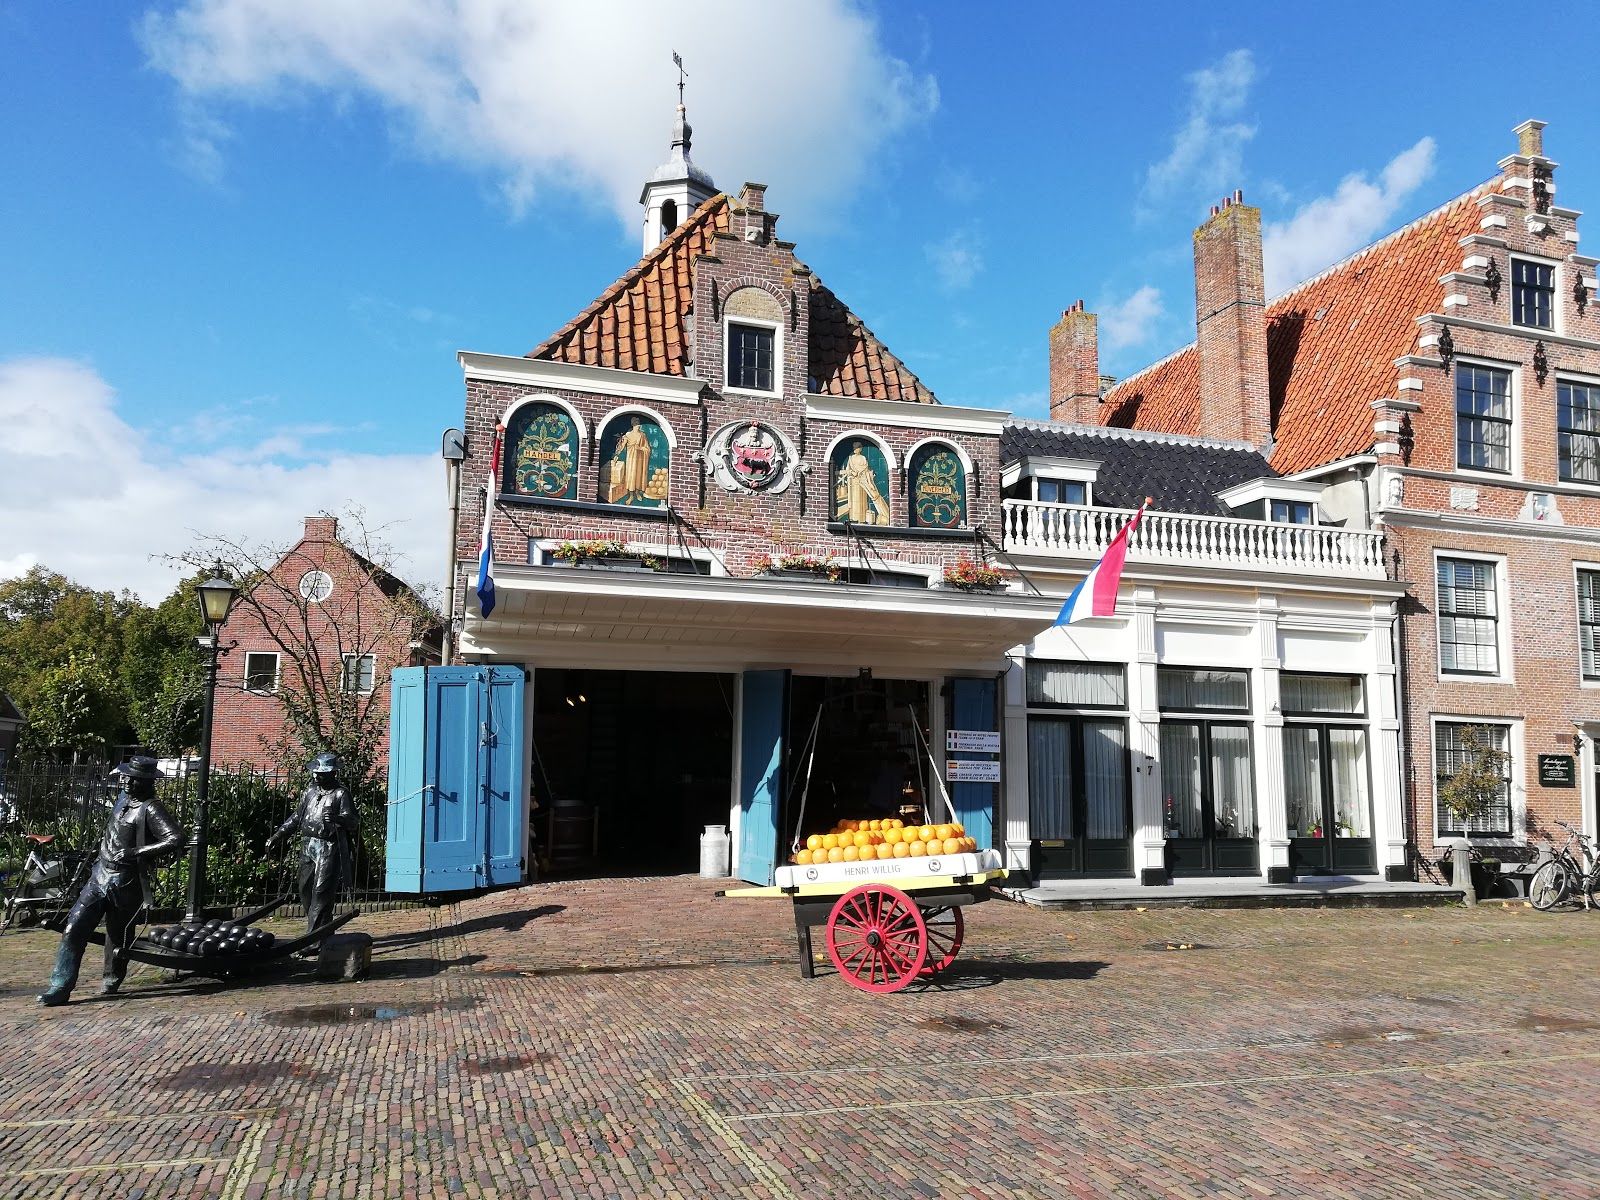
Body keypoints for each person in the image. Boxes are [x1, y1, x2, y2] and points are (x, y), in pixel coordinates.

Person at [38, 756, 183, 1006]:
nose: (125, 780)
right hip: (100, 875)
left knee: (118, 936)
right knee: (74, 927)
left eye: (132, 778)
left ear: (145, 782)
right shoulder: (121, 800)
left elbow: (176, 839)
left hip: (126, 881)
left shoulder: (151, 808)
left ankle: (112, 976)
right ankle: (60, 986)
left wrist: (136, 852)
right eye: (126, 776)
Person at [267, 751, 359, 950]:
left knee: (321, 891)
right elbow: (296, 817)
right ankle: (322, 931)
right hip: (308, 845)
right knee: (305, 889)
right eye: (315, 772)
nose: (317, 776)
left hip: (329, 847)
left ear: (333, 773)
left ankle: (313, 940)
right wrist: (278, 835)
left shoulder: (341, 794)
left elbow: (353, 821)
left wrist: (337, 819)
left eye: (322, 773)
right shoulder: (309, 791)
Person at [835, 440, 891, 525]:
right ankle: (853, 519)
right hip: (854, 483)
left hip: (862, 481)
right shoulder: (850, 458)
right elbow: (847, 469)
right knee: (854, 502)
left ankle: (862, 519)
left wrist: (863, 475)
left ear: (860, 449)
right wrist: (851, 472)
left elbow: (866, 469)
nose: (855, 449)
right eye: (854, 448)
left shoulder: (863, 458)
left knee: (862, 502)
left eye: (856, 448)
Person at [613, 416, 654, 504]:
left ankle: (637, 492)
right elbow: (622, 446)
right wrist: (617, 455)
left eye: (639, 424)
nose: (638, 426)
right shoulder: (628, 435)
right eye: (636, 425)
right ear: (633, 425)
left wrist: (640, 448)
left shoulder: (642, 435)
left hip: (640, 460)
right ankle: (631, 496)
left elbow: (647, 449)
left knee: (639, 475)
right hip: (631, 459)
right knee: (631, 476)